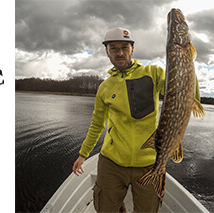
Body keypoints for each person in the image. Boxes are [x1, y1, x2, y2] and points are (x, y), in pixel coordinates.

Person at [71, 27, 167, 212]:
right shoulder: (105, 87)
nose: (120, 52)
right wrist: (83, 154)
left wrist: (187, 66)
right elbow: (97, 125)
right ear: (107, 51)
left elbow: (186, 95)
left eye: (124, 47)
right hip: (111, 163)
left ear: (133, 49)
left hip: (148, 163)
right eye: (113, 48)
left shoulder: (153, 73)